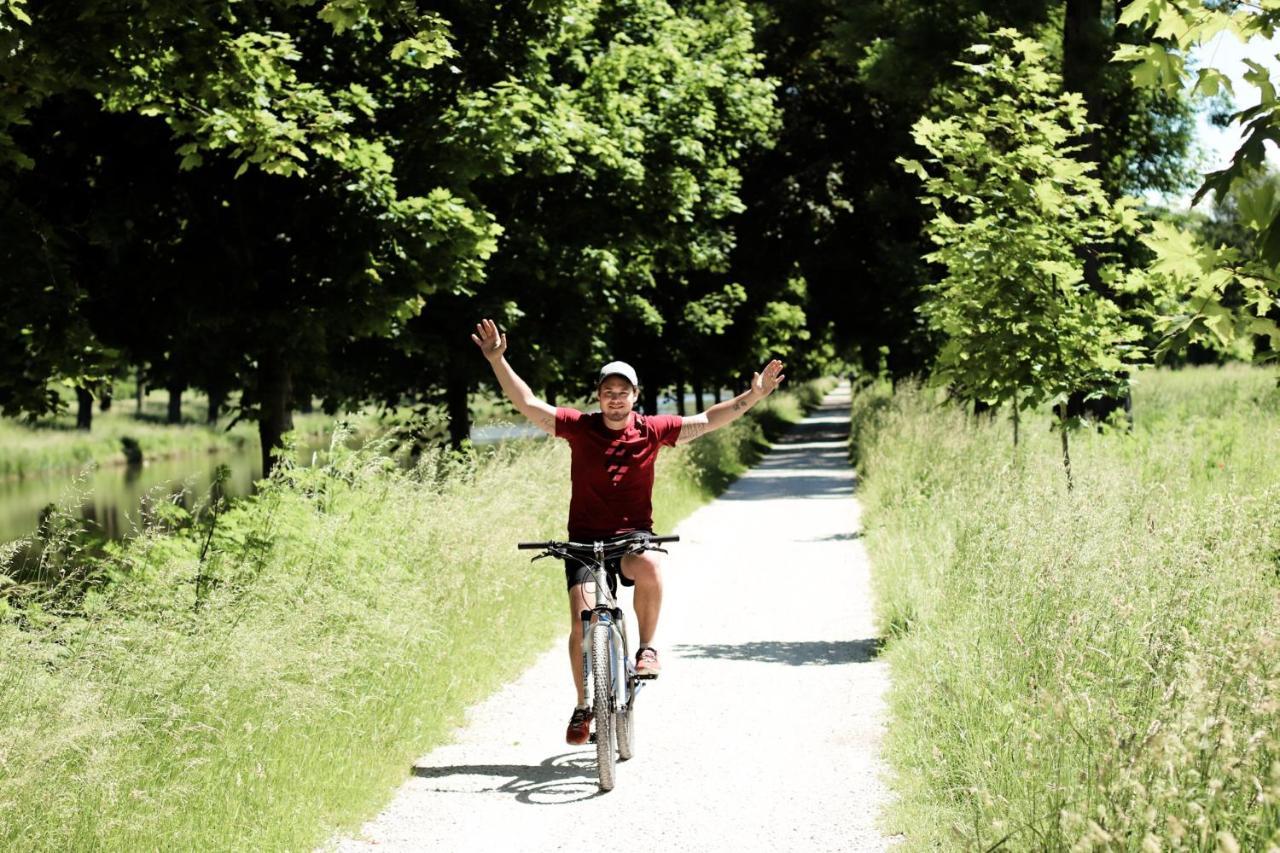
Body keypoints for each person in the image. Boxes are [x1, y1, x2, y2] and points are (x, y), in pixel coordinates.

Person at [470, 318, 785, 744]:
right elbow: (527, 404)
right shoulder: (580, 427)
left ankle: (646, 648)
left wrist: (755, 395)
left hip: (632, 539)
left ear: (635, 396)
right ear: (598, 396)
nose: (615, 400)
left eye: (623, 393)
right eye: (607, 393)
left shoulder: (653, 430)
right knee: (582, 623)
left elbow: (710, 419)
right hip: (583, 543)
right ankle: (584, 706)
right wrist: (497, 359)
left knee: (652, 565)